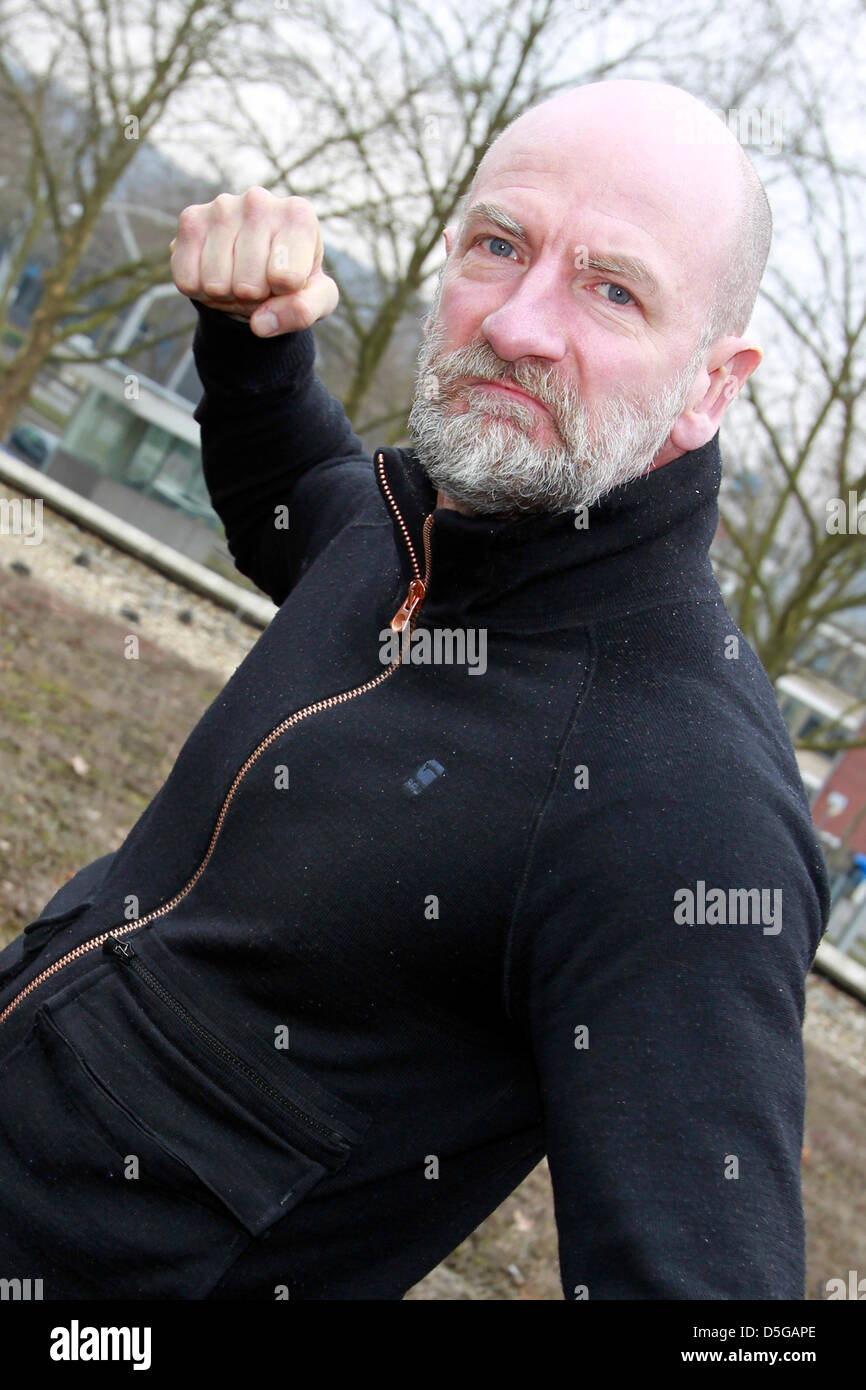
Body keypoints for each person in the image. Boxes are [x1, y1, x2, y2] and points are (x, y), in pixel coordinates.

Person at [0, 79, 828, 1300]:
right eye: (498, 245)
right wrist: (248, 337)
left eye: (612, 289)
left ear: (712, 383)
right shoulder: (423, 536)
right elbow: (296, 495)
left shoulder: (686, 800)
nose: (519, 324)